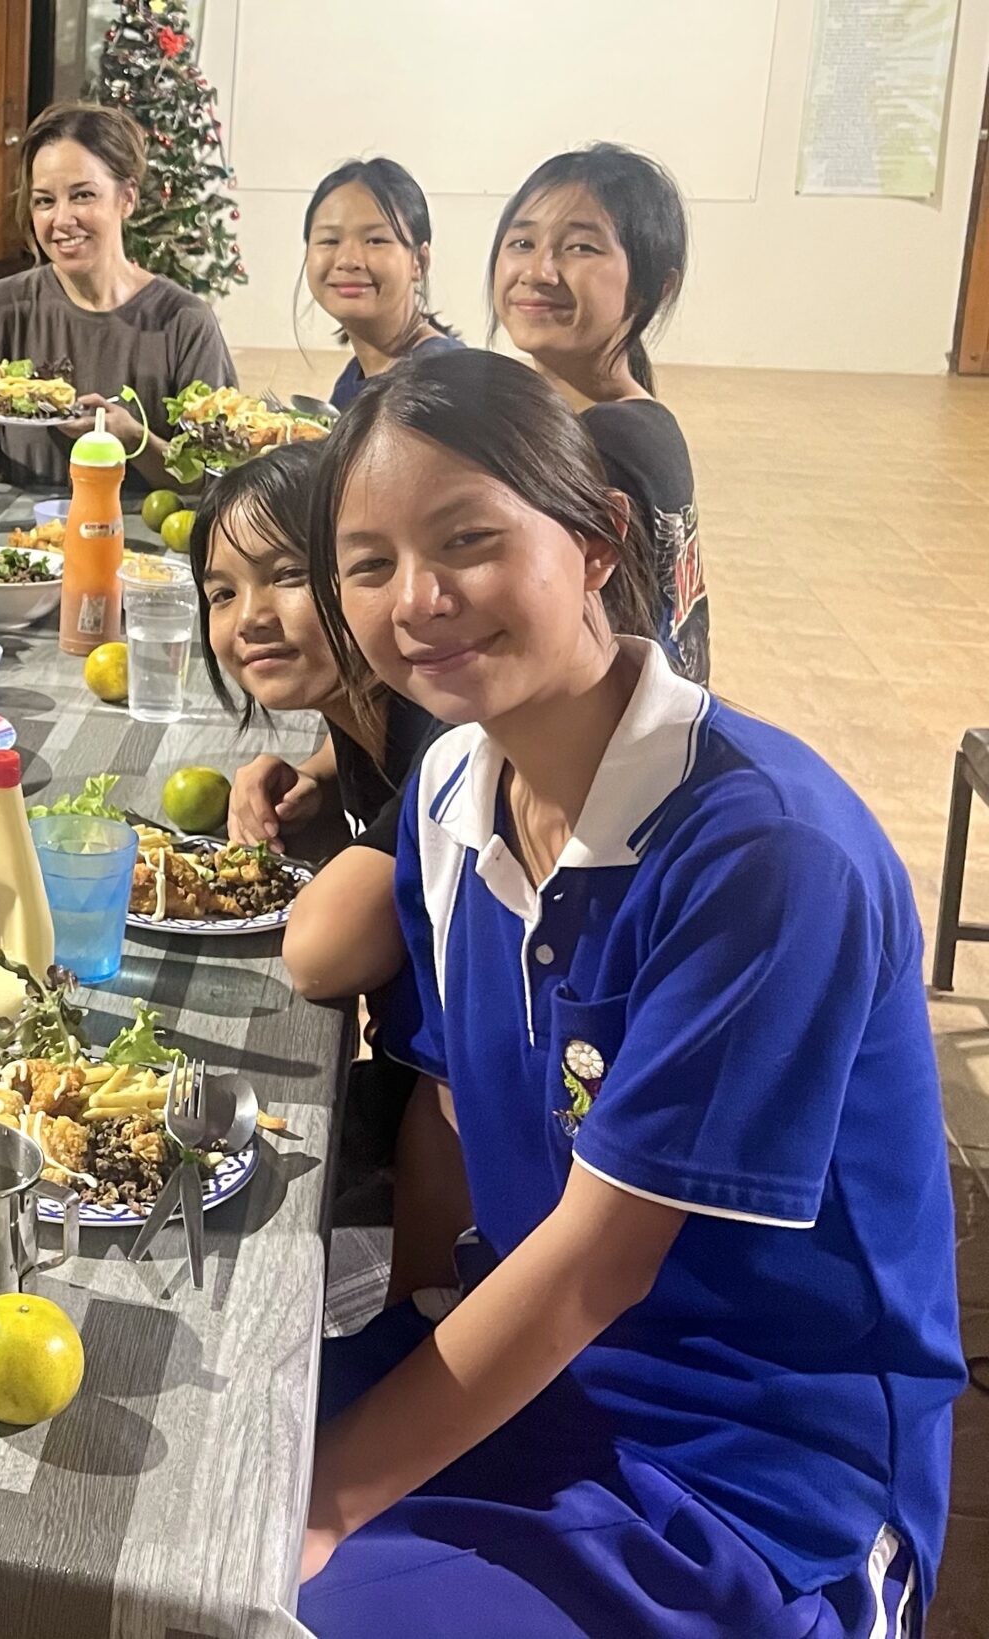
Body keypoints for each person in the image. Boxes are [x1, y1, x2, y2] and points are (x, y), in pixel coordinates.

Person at [295, 349, 959, 1635]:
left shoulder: (764, 857)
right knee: (166, 1466)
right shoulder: (448, 796)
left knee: (257, 1580)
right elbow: (445, 1115)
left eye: (467, 540)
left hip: (754, 1482)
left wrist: (329, 1500)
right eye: (368, 564)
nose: (417, 599)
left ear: (596, 540)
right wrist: (408, 1324)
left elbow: (597, 1267)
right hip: (540, 1377)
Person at [189, 443, 461, 1300]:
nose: (250, 618)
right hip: (416, 1098)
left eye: (287, 576)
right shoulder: (366, 713)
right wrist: (317, 774)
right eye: (222, 592)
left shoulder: (452, 747)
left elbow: (320, 953)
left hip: (471, 1174)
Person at [491, 143, 706, 684]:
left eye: (581, 248)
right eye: (522, 242)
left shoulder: (606, 442)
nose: (539, 271)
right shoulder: (635, 419)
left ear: (655, 288)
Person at [0, 102, 236, 491]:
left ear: (127, 198)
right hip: (25, 528)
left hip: (142, 530)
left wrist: (134, 439)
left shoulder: (184, 322)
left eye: (83, 195)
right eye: (44, 200)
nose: (62, 220)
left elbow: (217, 482)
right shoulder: (1, 309)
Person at [301, 158, 462, 410]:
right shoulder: (353, 378)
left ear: (419, 261)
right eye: (329, 241)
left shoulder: (442, 381)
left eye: (375, 240)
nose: (348, 260)